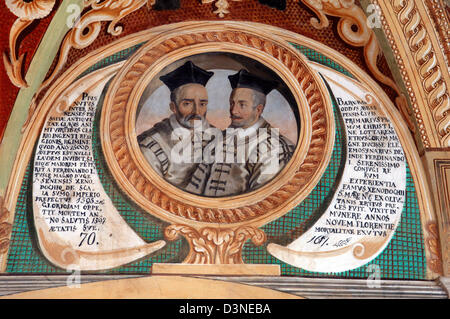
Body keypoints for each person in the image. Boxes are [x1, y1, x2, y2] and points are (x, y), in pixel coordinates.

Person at [198, 69, 295, 197]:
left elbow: (262, 198)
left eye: (242, 105)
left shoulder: (275, 147)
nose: (233, 111)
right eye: (232, 103)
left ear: (258, 109)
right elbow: (197, 185)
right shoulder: (219, 139)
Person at [137, 61, 215, 192]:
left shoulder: (218, 136)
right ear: (173, 107)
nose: (196, 111)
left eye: (202, 104)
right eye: (187, 104)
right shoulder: (151, 145)